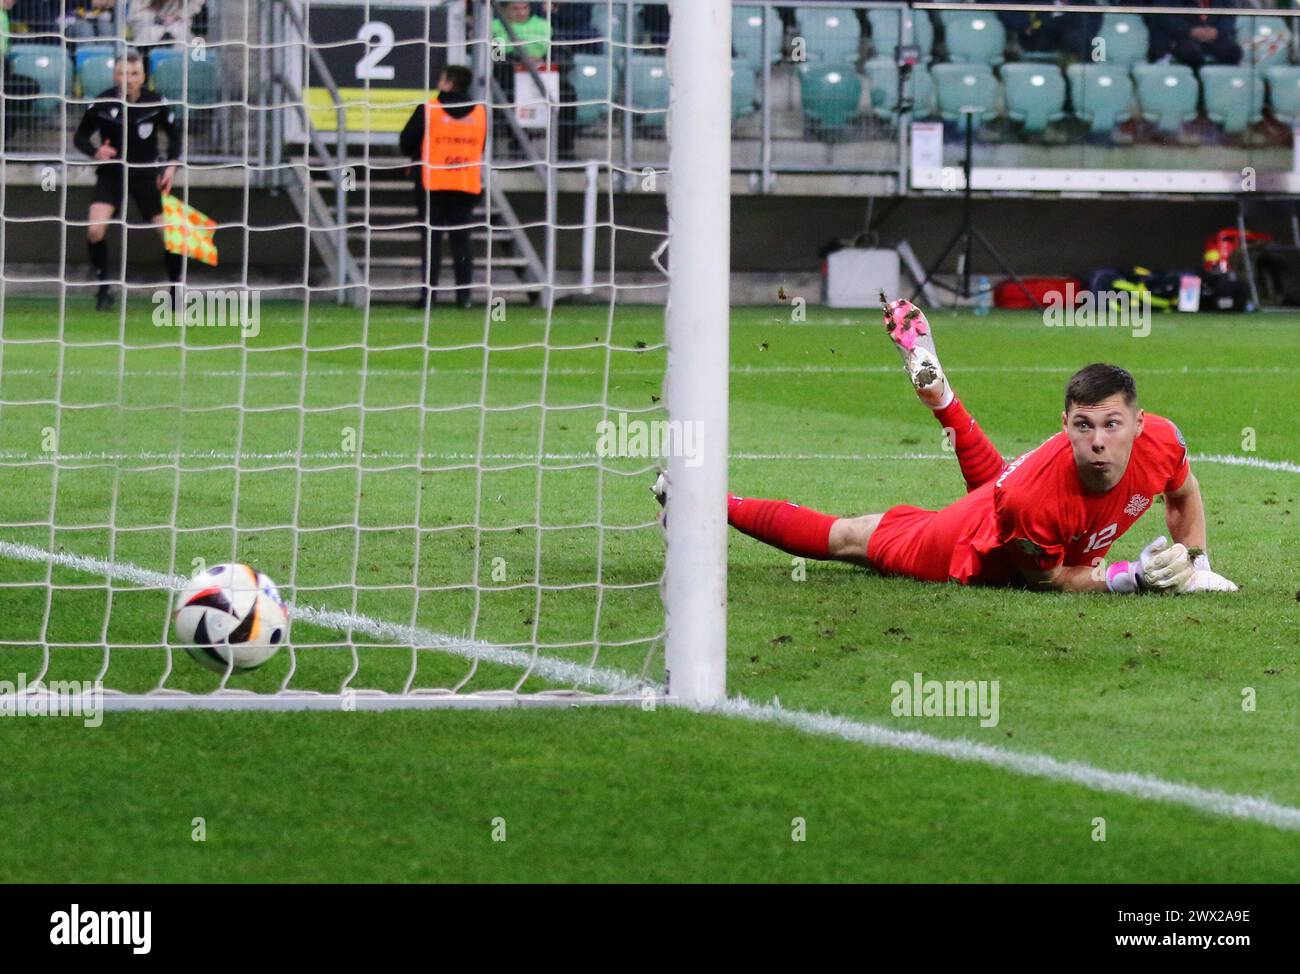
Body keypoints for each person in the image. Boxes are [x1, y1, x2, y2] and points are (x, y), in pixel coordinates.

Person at [660, 299, 1238, 595]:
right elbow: (1049, 580)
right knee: (852, 538)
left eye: (1113, 424)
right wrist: (1128, 577)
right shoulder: (1033, 500)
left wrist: (1196, 565)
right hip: (967, 548)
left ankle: (939, 392)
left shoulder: (1163, 440)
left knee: (1000, 485)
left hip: (1007, 495)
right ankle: (702, 500)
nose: (1098, 441)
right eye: (1083, 426)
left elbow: (1184, 491)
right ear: (1064, 424)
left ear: (1140, 423)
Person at [72, 50, 183, 310]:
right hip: (112, 174)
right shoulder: (102, 102)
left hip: (146, 175)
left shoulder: (156, 102)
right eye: (122, 73)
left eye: (134, 73)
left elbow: (175, 136)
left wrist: (171, 165)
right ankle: (103, 290)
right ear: (115, 75)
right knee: (95, 229)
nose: (128, 78)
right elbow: (80, 137)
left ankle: (176, 291)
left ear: (143, 76)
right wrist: (95, 152)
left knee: (169, 235)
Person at [399, 64, 485, 310]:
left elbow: (406, 141)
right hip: (465, 182)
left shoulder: (429, 109)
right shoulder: (479, 112)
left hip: (431, 182)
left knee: (431, 242)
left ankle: (428, 296)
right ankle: (464, 297)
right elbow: (481, 145)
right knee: (462, 242)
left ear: (448, 83)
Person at [491, 1, 576, 160]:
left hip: (544, 75)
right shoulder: (495, 27)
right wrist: (519, 60)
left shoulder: (543, 26)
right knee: (508, 92)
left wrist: (544, 61)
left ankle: (565, 149)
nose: (521, 12)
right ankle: (518, 145)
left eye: (524, 8)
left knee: (568, 93)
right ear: (504, 10)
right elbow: (497, 57)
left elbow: (561, 52)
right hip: (511, 75)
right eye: (515, 8)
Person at [1149, 0, 1242, 69]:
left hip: (1213, 36)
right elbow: (1165, 17)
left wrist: (1218, 32)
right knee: (1191, 52)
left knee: (1232, 51)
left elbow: (1229, 15)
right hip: (1180, 37)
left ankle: (1221, 89)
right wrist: (1190, 31)